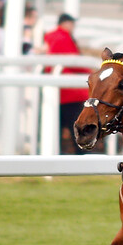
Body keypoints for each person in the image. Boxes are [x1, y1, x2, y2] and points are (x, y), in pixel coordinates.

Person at [44, 13, 92, 154]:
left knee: (57, 127)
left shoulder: (53, 37)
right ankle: (82, 152)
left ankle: (60, 152)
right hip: (71, 92)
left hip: (61, 90)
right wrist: (90, 72)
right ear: (66, 23)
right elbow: (75, 62)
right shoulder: (63, 37)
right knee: (76, 126)